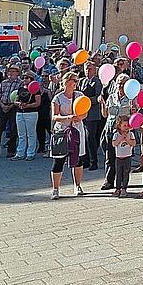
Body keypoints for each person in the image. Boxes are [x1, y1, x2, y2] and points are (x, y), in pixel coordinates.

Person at [50, 71, 86, 199]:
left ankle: (77, 185)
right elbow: (54, 116)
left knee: (78, 159)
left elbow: (85, 112)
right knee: (58, 160)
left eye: (77, 80)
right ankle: (55, 189)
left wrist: (79, 117)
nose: (76, 83)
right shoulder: (58, 98)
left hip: (76, 130)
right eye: (73, 80)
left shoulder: (80, 95)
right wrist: (68, 117)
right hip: (62, 131)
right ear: (66, 82)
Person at [100, 74, 133, 190]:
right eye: (119, 83)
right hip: (110, 129)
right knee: (110, 156)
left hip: (123, 131)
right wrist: (103, 104)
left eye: (123, 83)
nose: (120, 85)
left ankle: (123, 182)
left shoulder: (131, 98)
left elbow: (133, 116)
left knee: (123, 157)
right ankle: (109, 181)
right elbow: (105, 114)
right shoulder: (111, 97)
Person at [0, 65, 21, 160]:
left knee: (13, 130)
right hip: (2, 107)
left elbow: (19, 97)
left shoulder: (20, 83)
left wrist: (10, 106)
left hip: (13, 107)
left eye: (13, 71)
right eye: (9, 71)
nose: (11, 73)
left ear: (17, 73)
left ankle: (11, 150)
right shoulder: (3, 83)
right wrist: (2, 105)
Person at [78, 62, 104, 170]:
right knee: (83, 137)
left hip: (92, 113)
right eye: (86, 69)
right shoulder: (82, 81)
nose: (88, 71)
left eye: (90, 69)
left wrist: (86, 101)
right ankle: (85, 160)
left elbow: (98, 97)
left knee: (90, 138)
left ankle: (94, 161)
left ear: (95, 70)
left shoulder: (97, 81)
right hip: (82, 113)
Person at [112, 115, 136, 198]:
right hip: (119, 158)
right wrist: (121, 138)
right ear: (119, 126)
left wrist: (127, 139)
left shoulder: (131, 134)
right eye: (124, 125)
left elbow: (133, 143)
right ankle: (117, 188)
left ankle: (124, 188)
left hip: (127, 157)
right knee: (118, 174)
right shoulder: (116, 134)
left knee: (126, 173)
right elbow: (114, 144)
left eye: (127, 125)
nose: (126, 127)